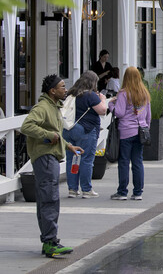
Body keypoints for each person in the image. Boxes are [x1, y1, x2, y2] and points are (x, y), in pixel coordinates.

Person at [20, 74, 84, 258]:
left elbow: (56, 133)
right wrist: (48, 135)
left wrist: (68, 146)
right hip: (45, 157)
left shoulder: (53, 106)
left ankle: (48, 240)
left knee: (47, 198)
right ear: (52, 91)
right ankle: (50, 242)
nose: (65, 89)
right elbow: (27, 126)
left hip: (50, 156)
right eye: (62, 87)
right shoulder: (42, 107)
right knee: (50, 198)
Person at [61, 70, 107, 198]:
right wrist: (102, 99)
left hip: (68, 129)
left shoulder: (71, 93)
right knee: (86, 159)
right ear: (93, 82)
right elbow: (102, 111)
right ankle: (86, 189)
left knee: (72, 159)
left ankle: (72, 189)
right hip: (85, 130)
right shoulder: (90, 95)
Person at [108, 66, 151, 201]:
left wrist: (110, 104)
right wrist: (146, 127)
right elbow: (148, 115)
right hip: (141, 131)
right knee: (138, 162)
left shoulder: (124, 93)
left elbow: (119, 113)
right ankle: (138, 192)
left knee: (124, 162)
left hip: (126, 131)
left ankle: (122, 192)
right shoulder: (144, 93)